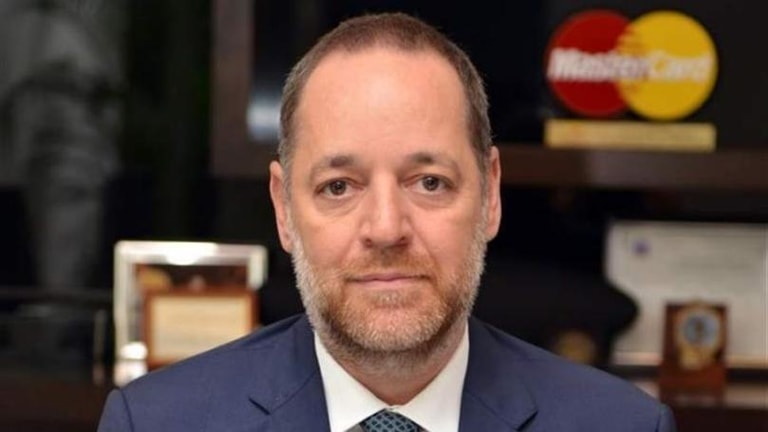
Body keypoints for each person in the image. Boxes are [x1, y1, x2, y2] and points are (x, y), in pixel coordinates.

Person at [98, 12, 676, 431]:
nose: (385, 228)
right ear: (284, 210)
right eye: (338, 187)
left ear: (491, 195)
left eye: (429, 182)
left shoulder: (620, 425)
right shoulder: (157, 422)